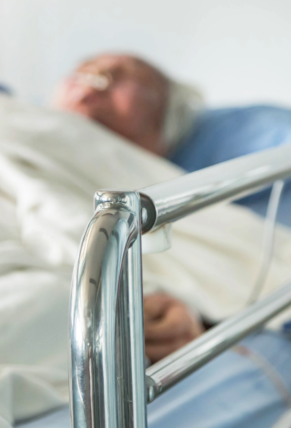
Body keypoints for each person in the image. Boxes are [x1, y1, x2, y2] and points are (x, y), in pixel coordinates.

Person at [54, 53, 205, 362]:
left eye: (116, 75)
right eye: (81, 70)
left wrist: (163, 302)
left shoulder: (160, 186)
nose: (89, 81)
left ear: (160, 124)